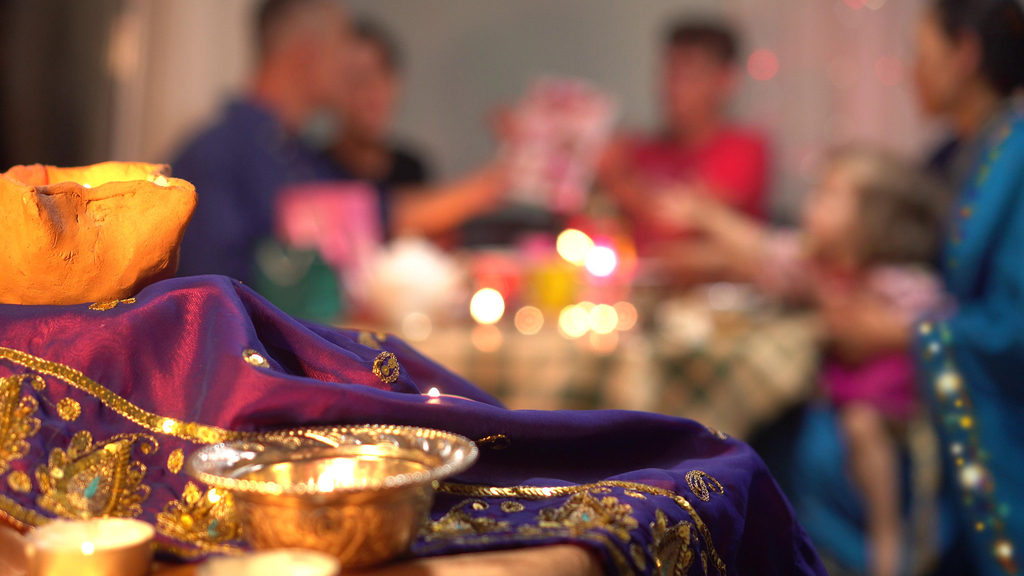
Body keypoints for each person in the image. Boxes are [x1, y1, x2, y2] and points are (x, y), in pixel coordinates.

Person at [674, 148, 950, 575]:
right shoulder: (816, 262)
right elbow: (763, 249)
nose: (812, 206)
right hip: (839, 390)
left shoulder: (890, 278)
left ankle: (887, 535)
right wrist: (706, 217)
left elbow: (928, 319)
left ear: (872, 217)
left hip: (884, 393)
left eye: (830, 195)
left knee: (861, 425)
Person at [823, 0, 1024, 573]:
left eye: (921, 52)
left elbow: (1015, 328)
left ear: (965, 55)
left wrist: (896, 332)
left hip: (995, 418)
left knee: (818, 453)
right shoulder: (955, 153)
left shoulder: (1017, 157)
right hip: (928, 386)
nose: (911, 68)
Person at [172, 0, 353, 283]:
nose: (347, 64)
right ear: (307, 54)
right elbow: (215, 300)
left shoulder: (304, 158)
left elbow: (378, 213)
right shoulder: (214, 157)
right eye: (341, 44)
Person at [598, 19, 770, 255]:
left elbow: (682, 222)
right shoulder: (637, 148)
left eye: (690, 75)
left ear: (726, 80)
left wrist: (617, 178)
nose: (673, 87)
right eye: (669, 72)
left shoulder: (745, 148)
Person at [329, 19, 508, 241]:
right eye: (356, 78)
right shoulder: (313, 171)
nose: (371, 92)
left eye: (381, 75)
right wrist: (489, 184)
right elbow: (382, 216)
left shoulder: (412, 167)